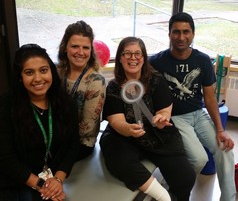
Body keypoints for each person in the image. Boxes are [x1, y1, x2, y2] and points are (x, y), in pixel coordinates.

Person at [149, 12, 236, 201]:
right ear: (169, 34)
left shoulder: (202, 60)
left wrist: (221, 130)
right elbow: (136, 73)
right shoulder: (156, 61)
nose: (181, 37)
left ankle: (229, 199)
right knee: (198, 159)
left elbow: (210, 98)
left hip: (198, 113)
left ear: (193, 34)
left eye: (186, 32)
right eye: (176, 32)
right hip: (176, 118)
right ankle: (169, 188)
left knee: (225, 149)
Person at [99, 36, 196, 201]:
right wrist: (127, 129)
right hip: (125, 138)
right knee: (118, 159)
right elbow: (116, 120)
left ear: (143, 58)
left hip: (157, 134)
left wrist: (162, 117)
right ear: (120, 58)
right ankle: (162, 195)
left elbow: (165, 110)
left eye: (137, 53)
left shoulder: (157, 80)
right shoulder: (114, 87)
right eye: (127, 53)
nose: (133, 58)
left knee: (185, 177)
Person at [0, 44, 80, 201]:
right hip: (15, 181)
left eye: (43, 70)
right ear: (20, 77)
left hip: (52, 179)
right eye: (29, 72)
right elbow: (5, 158)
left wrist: (57, 180)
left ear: (51, 71)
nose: (38, 79)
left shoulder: (66, 103)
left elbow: (73, 144)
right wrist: (41, 185)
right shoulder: (6, 108)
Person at [57, 20, 106, 161]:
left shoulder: (95, 81)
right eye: (75, 46)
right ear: (65, 47)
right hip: (56, 134)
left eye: (86, 47)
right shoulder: (58, 72)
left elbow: (87, 129)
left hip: (80, 143)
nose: (80, 52)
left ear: (91, 50)